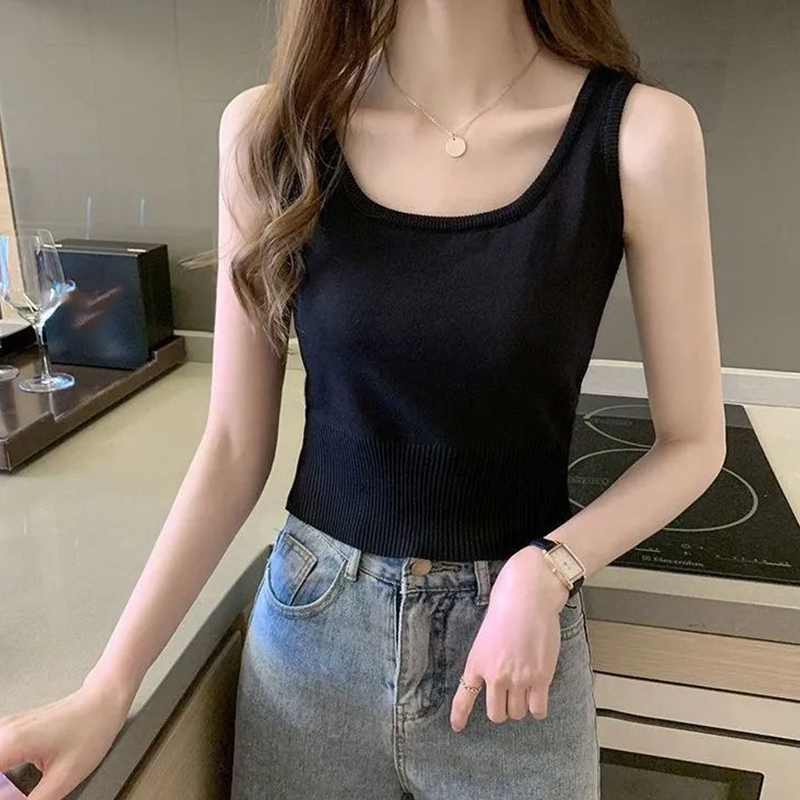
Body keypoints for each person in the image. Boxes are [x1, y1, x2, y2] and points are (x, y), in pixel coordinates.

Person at [0, 1, 727, 799]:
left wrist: (552, 567)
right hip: (311, 651)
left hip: (512, 660)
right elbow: (234, 447)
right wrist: (109, 687)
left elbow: (693, 442)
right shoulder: (272, 131)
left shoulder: (640, 135)